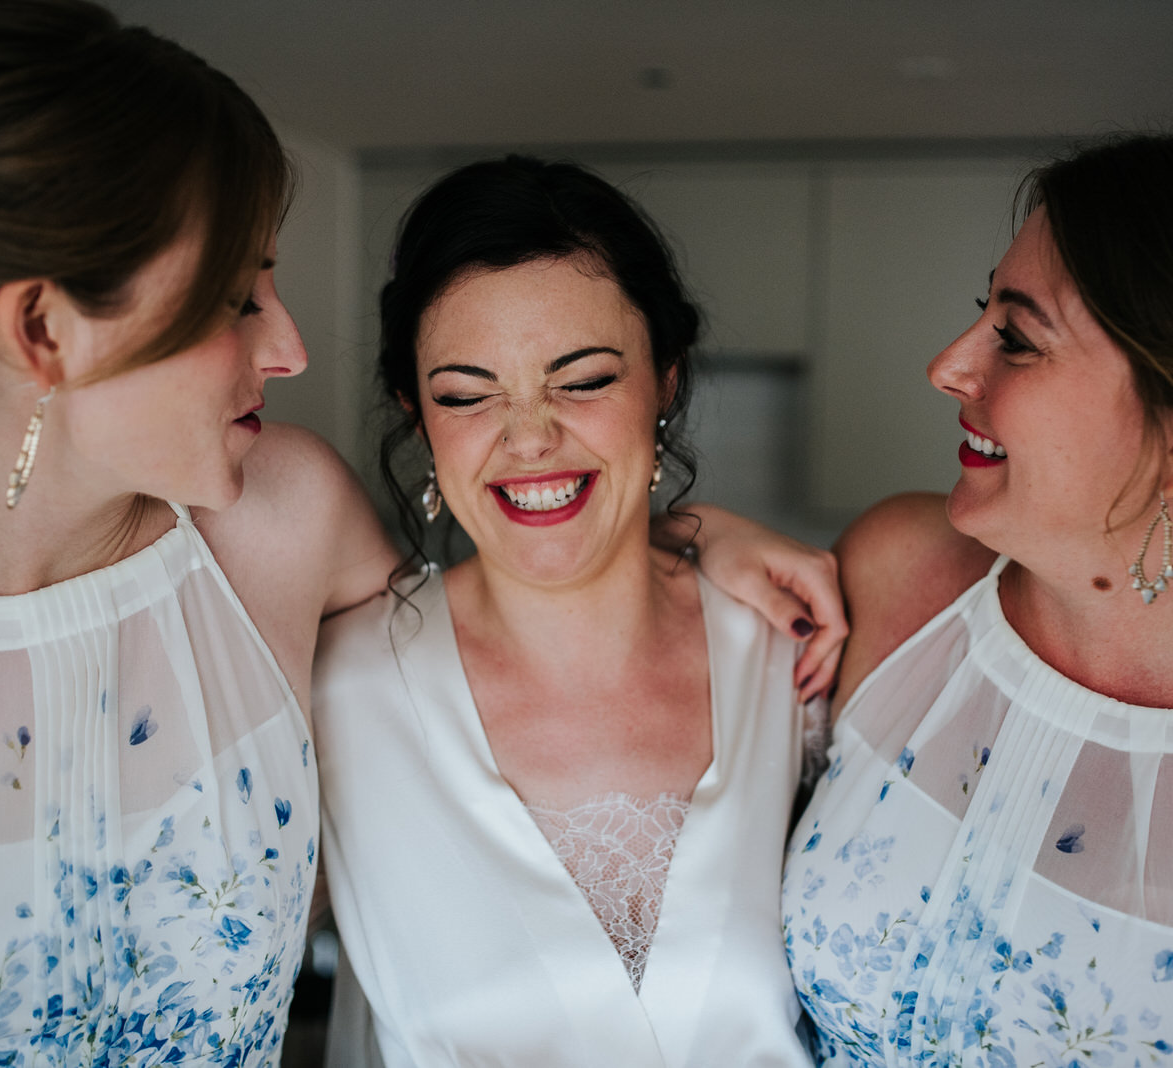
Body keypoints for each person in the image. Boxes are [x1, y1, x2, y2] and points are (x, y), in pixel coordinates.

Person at [0, 6, 843, 1063]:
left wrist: (692, 538)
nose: (287, 346)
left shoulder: (278, 524)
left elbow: (526, 613)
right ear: (42, 328)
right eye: (237, 298)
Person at [784, 132, 1173, 1066]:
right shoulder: (899, 577)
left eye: (1016, 338)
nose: (950, 365)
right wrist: (682, 543)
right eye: (984, 315)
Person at [312, 156, 828, 1067]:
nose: (529, 437)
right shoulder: (341, 687)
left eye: (583, 380)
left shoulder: (787, 650)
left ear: (665, 380)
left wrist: (695, 533)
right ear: (417, 413)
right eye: (468, 395)